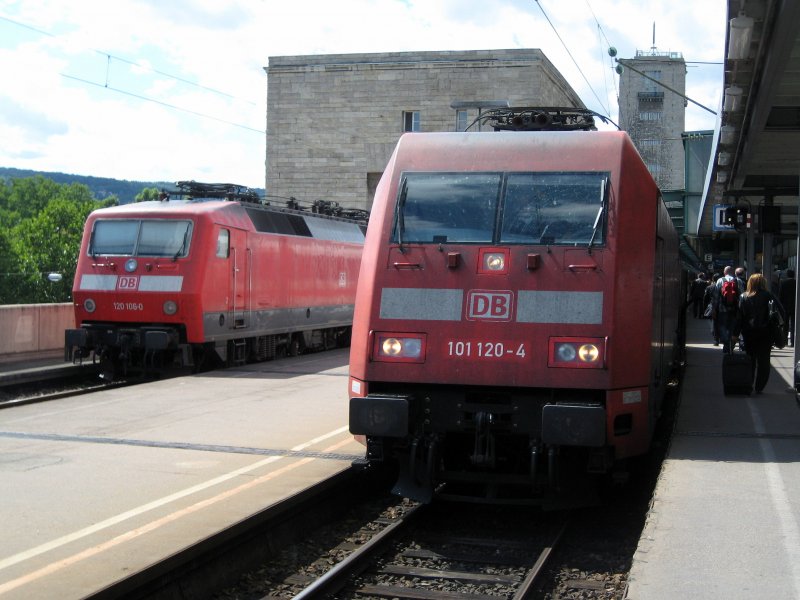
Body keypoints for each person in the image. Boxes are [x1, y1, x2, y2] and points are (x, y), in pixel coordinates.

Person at [739, 273, 786, 393]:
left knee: (750, 359)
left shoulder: (743, 296)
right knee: (764, 361)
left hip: (748, 333)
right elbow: (781, 312)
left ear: (750, 283)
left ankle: (748, 384)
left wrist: (735, 334)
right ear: (763, 283)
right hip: (766, 333)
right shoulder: (769, 295)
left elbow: (739, 317)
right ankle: (759, 387)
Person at [712, 266, 743, 352]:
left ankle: (726, 344)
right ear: (733, 272)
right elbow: (741, 296)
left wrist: (714, 309)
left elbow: (716, 297)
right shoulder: (738, 281)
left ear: (724, 272)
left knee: (723, 327)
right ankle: (731, 344)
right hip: (734, 309)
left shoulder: (720, 280)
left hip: (722, 309)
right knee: (732, 327)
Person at [779, 269, 796, 347]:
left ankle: (784, 341)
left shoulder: (783, 283)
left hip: (785, 307)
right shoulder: (796, 283)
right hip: (795, 307)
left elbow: (780, 295)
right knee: (794, 325)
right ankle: (793, 342)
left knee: (785, 325)